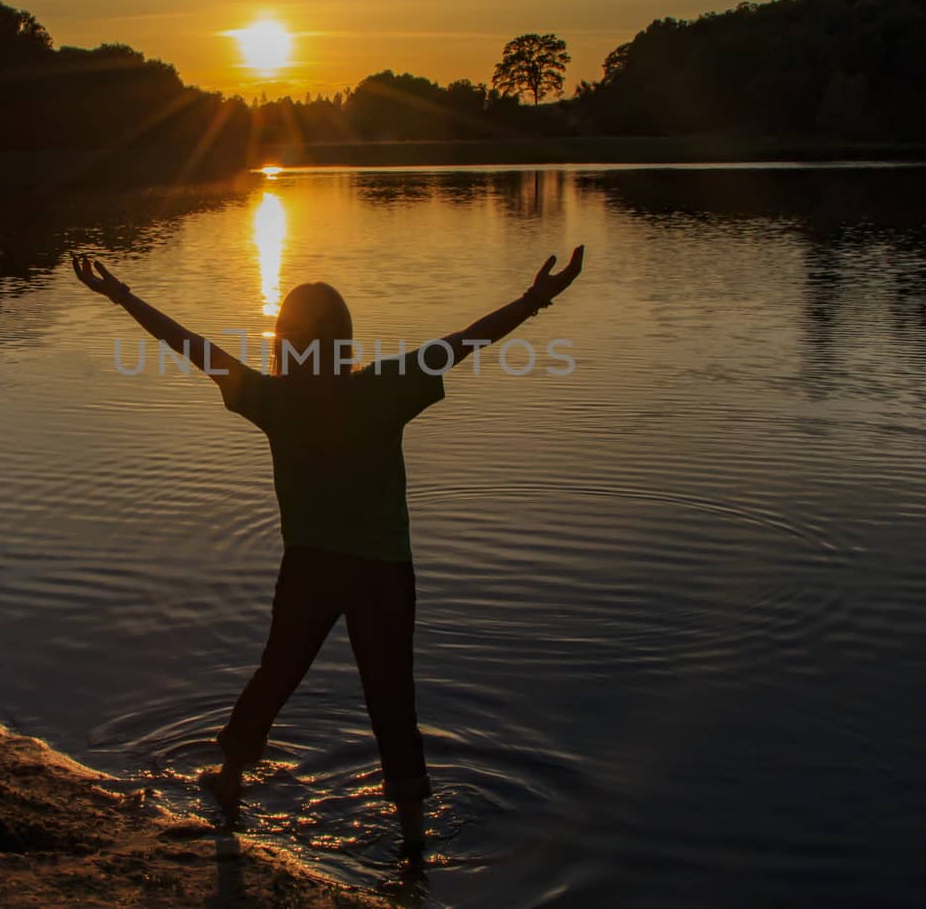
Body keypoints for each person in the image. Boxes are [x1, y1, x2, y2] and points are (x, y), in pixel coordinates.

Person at [73, 244, 584, 853]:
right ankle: (414, 839)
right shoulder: (387, 386)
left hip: (310, 565)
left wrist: (123, 296)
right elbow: (470, 338)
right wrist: (536, 298)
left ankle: (231, 780)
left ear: (284, 339)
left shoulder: (272, 398)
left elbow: (190, 346)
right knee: (392, 693)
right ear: (344, 338)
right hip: (385, 571)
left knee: (278, 673)